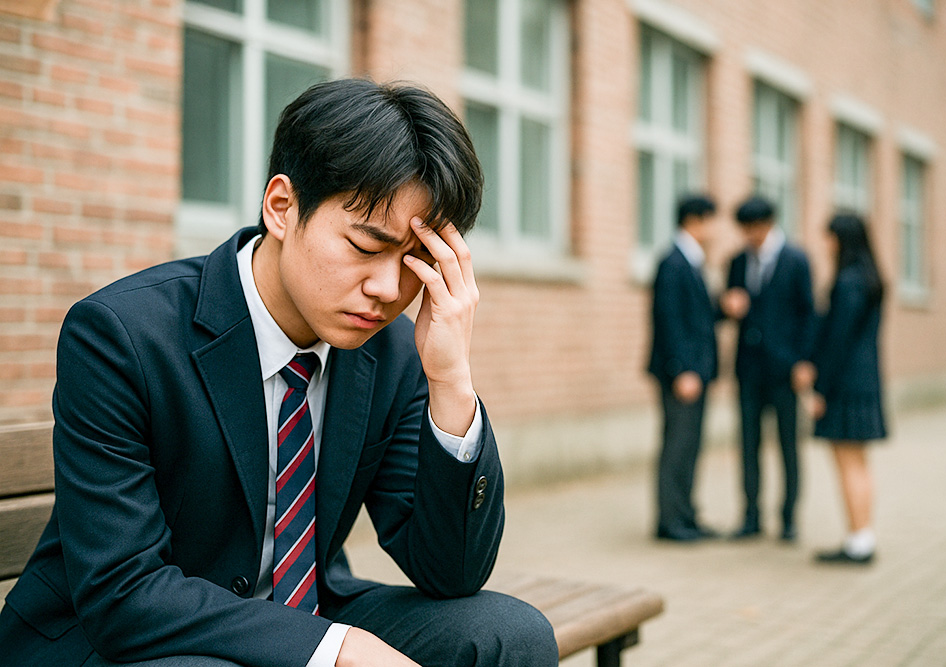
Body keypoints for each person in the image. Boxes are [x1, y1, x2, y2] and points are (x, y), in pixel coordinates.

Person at [0, 79, 558, 667]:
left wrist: (451, 382)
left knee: (509, 635)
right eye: (367, 247)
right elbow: (123, 591)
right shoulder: (122, 335)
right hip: (126, 637)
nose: (389, 290)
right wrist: (333, 648)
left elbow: (450, 573)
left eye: (415, 262)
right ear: (282, 208)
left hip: (305, 608)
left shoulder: (393, 350)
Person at [720, 195, 816, 542]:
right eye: (744, 230)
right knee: (748, 444)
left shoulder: (796, 259)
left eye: (754, 229)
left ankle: (789, 518)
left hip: (786, 370)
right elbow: (728, 306)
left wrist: (805, 361)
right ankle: (751, 516)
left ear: (769, 224)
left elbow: (809, 314)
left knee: (789, 445)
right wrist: (726, 305)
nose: (750, 236)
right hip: (748, 369)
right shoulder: (736, 262)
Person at [809, 214, 888, 565]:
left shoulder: (848, 283)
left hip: (846, 387)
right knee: (859, 464)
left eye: (830, 238)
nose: (826, 245)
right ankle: (862, 536)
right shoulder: (869, 280)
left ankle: (859, 540)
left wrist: (820, 389)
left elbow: (837, 341)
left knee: (849, 464)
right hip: (863, 382)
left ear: (842, 241)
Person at [647, 194, 720, 542]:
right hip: (684, 374)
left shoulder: (691, 261)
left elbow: (697, 316)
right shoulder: (673, 263)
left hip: (696, 372)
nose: (715, 229)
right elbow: (670, 320)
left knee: (690, 444)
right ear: (696, 221)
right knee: (677, 445)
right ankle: (670, 521)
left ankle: (687, 515)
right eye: (712, 221)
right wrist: (682, 370)